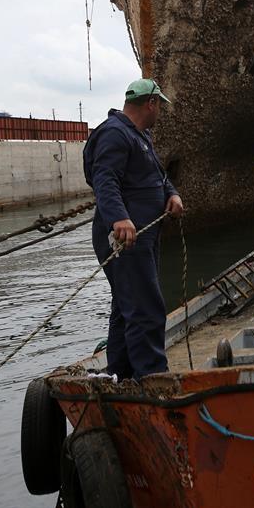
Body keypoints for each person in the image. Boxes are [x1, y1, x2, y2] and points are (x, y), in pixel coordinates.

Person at [83, 78, 183, 381]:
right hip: (124, 236)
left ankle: (122, 374)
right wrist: (119, 218)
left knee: (126, 305)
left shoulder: (140, 135)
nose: (160, 112)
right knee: (145, 307)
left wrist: (172, 193)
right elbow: (105, 179)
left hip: (142, 234)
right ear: (150, 103)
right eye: (159, 106)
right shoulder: (115, 134)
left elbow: (157, 176)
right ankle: (153, 378)